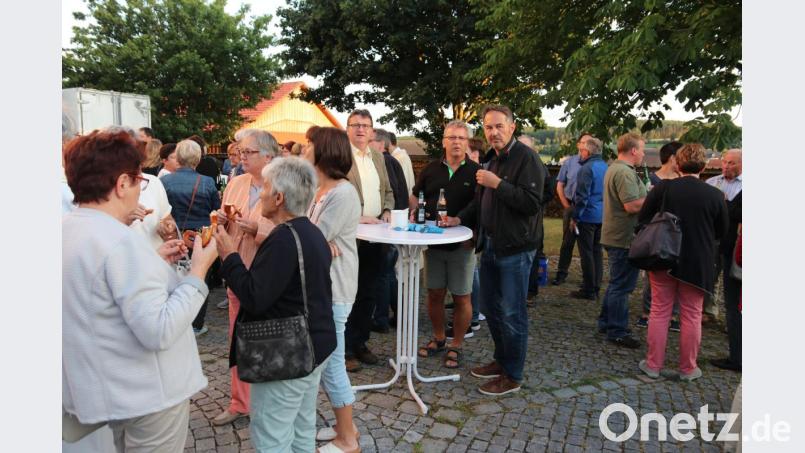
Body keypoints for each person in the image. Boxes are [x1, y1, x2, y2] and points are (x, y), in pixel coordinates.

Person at [63, 130, 219, 452]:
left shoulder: (68, 230)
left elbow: (100, 291)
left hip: (112, 387)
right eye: (139, 180)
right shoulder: (119, 242)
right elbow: (158, 330)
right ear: (122, 184)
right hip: (149, 393)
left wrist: (154, 259)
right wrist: (198, 271)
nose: (140, 188)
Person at [213, 157, 335, 453]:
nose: (261, 194)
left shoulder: (283, 238)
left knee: (272, 438)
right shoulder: (310, 231)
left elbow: (255, 297)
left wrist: (230, 256)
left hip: (287, 354)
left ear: (279, 197)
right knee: (302, 430)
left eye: (265, 188)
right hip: (313, 347)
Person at [459, 105, 544, 396]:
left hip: (516, 249)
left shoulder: (526, 157)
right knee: (491, 308)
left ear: (511, 126)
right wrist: (460, 219)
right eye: (488, 127)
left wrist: (499, 185)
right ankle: (501, 360)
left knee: (512, 312)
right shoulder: (490, 159)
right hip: (491, 244)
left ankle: (513, 374)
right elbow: (480, 200)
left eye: (498, 126)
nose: (493, 132)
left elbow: (532, 202)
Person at [637, 143, 729, 382]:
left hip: (663, 256)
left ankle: (653, 364)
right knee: (691, 314)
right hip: (698, 260)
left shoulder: (663, 189)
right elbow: (722, 230)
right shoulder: (715, 195)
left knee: (659, 311)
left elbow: (643, 219)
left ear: (677, 163)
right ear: (705, 164)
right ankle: (688, 368)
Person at [209, 129, 278, 426]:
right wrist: (220, 218)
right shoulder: (237, 181)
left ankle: (268, 404)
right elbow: (223, 214)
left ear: (268, 156)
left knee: (268, 340)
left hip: (266, 275)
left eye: (248, 152)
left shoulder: (283, 185)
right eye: (240, 151)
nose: (241, 156)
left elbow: (295, 230)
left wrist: (258, 230)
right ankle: (240, 402)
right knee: (237, 339)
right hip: (235, 270)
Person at [303, 126, 362, 453]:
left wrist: (319, 244)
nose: (304, 148)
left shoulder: (342, 193)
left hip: (335, 290)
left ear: (324, 150)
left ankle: (348, 440)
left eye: (310, 144)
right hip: (323, 289)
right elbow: (312, 238)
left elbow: (310, 241)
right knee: (329, 363)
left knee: (332, 363)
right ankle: (346, 427)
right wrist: (318, 243)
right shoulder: (319, 190)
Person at [414, 120, 480, 368]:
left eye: (461, 138)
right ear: (443, 141)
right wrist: (413, 212)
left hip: (462, 245)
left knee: (462, 297)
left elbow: (479, 206)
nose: (456, 142)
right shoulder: (430, 169)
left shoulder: (476, 172)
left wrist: (465, 226)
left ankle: (457, 345)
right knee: (434, 294)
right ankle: (440, 338)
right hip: (433, 245)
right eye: (451, 137)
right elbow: (417, 195)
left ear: (467, 143)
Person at [343, 109, 394, 372]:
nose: (361, 130)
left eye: (365, 125)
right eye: (355, 125)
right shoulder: (340, 157)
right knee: (348, 292)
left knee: (369, 291)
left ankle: (360, 342)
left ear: (372, 131)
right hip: (351, 233)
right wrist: (358, 217)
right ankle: (345, 349)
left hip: (377, 234)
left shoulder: (378, 156)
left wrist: (386, 210)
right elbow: (331, 193)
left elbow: (386, 190)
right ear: (348, 129)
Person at [161, 139, 221, 335]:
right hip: (200, 236)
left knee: (174, 275)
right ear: (198, 158)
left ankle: (175, 317)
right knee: (199, 275)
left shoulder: (165, 182)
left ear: (177, 157)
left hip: (174, 234)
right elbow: (215, 208)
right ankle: (196, 323)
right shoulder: (207, 182)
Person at [598, 133, 648, 349]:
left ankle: (606, 322)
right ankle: (617, 330)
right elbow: (632, 206)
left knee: (616, 283)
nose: (644, 154)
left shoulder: (615, 168)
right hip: (624, 237)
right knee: (622, 286)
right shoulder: (624, 173)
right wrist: (653, 198)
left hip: (615, 235)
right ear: (634, 150)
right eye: (643, 150)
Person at [636, 141, 683, 329]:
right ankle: (647, 313)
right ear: (673, 158)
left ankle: (673, 315)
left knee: (678, 276)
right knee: (652, 277)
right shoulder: (652, 180)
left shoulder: (683, 181)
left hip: (677, 236)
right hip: (656, 235)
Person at [369, 127, 408, 333]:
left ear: (381, 144)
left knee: (382, 274)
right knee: (388, 273)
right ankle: (399, 314)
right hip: (392, 225)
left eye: (371, 140)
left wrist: (387, 214)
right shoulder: (390, 161)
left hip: (387, 226)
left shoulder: (384, 161)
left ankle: (381, 319)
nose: (367, 144)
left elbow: (391, 193)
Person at [708, 149, 743, 372]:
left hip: (737, 251)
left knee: (734, 304)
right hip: (718, 244)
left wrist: (723, 205)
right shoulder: (712, 182)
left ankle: (737, 357)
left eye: (731, 163)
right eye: (724, 162)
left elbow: (736, 215)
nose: (726, 166)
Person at [568, 136, 606, 301]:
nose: (580, 152)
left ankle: (589, 289)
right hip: (602, 215)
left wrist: (575, 217)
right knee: (597, 252)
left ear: (588, 151)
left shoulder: (586, 169)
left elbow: (582, 196)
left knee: (586, 253)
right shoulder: (605, 166)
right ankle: (596, 285)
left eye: (582, 149)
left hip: (587, 215)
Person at [518, 134, 554, 299]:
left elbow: (549, 190)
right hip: (514, 222)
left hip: (533, 222)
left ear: (532, 149)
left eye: (525, 147)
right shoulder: (512, 165)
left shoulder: (539, 166)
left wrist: (534, 204)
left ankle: (530, 292)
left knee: (532, 256)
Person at [552, 134, 587, 285]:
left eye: (590, 142)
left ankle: (589, 278)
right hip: (571, 206)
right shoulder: (569, 163)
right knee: (567, 243)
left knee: (587, 244)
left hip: (588, 209)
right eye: (584, 142)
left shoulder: (596, 164)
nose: (586, 145)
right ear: (578, 144)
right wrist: (566, 206)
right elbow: (560, 185)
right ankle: (561, 274)